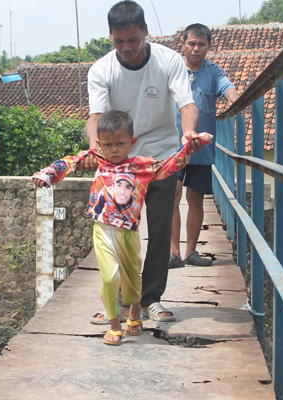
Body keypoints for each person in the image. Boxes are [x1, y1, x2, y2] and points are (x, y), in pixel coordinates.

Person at [32, 111, 212, 346]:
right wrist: (47, 174)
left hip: (128, 233)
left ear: (132, 142)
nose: (114, 149)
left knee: (131, 279)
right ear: (99, 144)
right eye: (108, 144)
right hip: (103, 231)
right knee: (110, 277)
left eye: (120, 144)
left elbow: (169, 166)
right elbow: (68, 162)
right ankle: (115, 325)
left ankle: (135, 310)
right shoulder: (97, 159)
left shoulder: (140, 167)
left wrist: (191, 148)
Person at [82, 0, 202, 323]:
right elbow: (95, 117)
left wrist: (189, 133)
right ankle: (121, 300)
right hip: (122, 162)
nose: (127, 48)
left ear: (146, 32)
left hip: (162, 156)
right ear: (110, 37)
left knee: (161, 227)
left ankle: (151, 298)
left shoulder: (169, 61)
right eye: (118, 41)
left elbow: (186, 105)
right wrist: (95, 146)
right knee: (120, 230)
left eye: (133, 40)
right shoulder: (101, 70)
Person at [169, 23, 240, 269]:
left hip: (201, 147)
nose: (196, 49)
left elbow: (227, 88)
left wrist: (234, 99)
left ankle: (190, 252)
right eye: (192, 43)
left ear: (209, 46)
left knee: (195, 198)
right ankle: (173, 252)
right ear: (183, 44)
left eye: (201, 44)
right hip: (173, 146)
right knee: (172, 196)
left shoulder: (213, 71)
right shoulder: (172, 68)